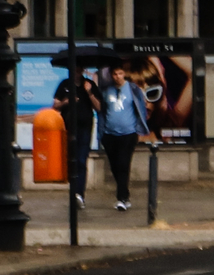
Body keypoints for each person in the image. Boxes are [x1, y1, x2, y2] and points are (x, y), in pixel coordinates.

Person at [98, 64, 150, 210]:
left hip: (128, 133)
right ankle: (124, 195)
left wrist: (139, 128)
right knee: (115, 166)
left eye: (120, 73)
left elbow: (141, 108)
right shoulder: (106, 90)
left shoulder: (133, 89)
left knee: (123, 163)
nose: (118, 77)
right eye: (115, 74)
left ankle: (121, 198)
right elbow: (102, 110)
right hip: (109, 133)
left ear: (124, 74)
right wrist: (101, 133)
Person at [54, 69, 100, 203]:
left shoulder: (89, 84)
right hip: (68, 127)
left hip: (85, 127)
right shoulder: (65, 84)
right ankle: (74, 190)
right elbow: (55, 105)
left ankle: (79, 193)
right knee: (71, 160)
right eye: (74, 70)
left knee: (81, 160)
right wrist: (66, 102)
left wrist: (89, 92)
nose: (77, 73)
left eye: (79, 70)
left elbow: (99, 107)